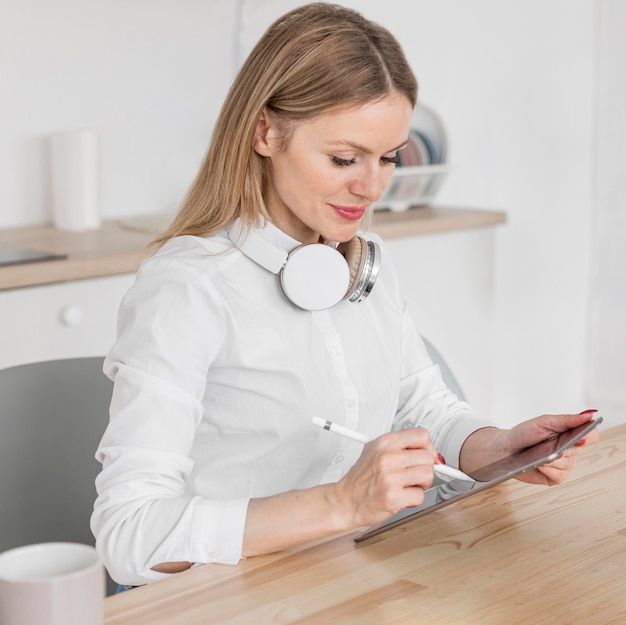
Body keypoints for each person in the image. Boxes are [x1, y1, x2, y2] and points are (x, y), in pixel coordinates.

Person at [91, 2, 599, 587]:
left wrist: (502, 447)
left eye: (387, 158)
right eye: (343, 158)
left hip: (345, 578)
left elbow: (421, 407)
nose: (371, 186)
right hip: (226, 595)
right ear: (265, 131)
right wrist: (340, 503)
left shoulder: (362, 262)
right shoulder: (188, 286)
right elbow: (129, 536)